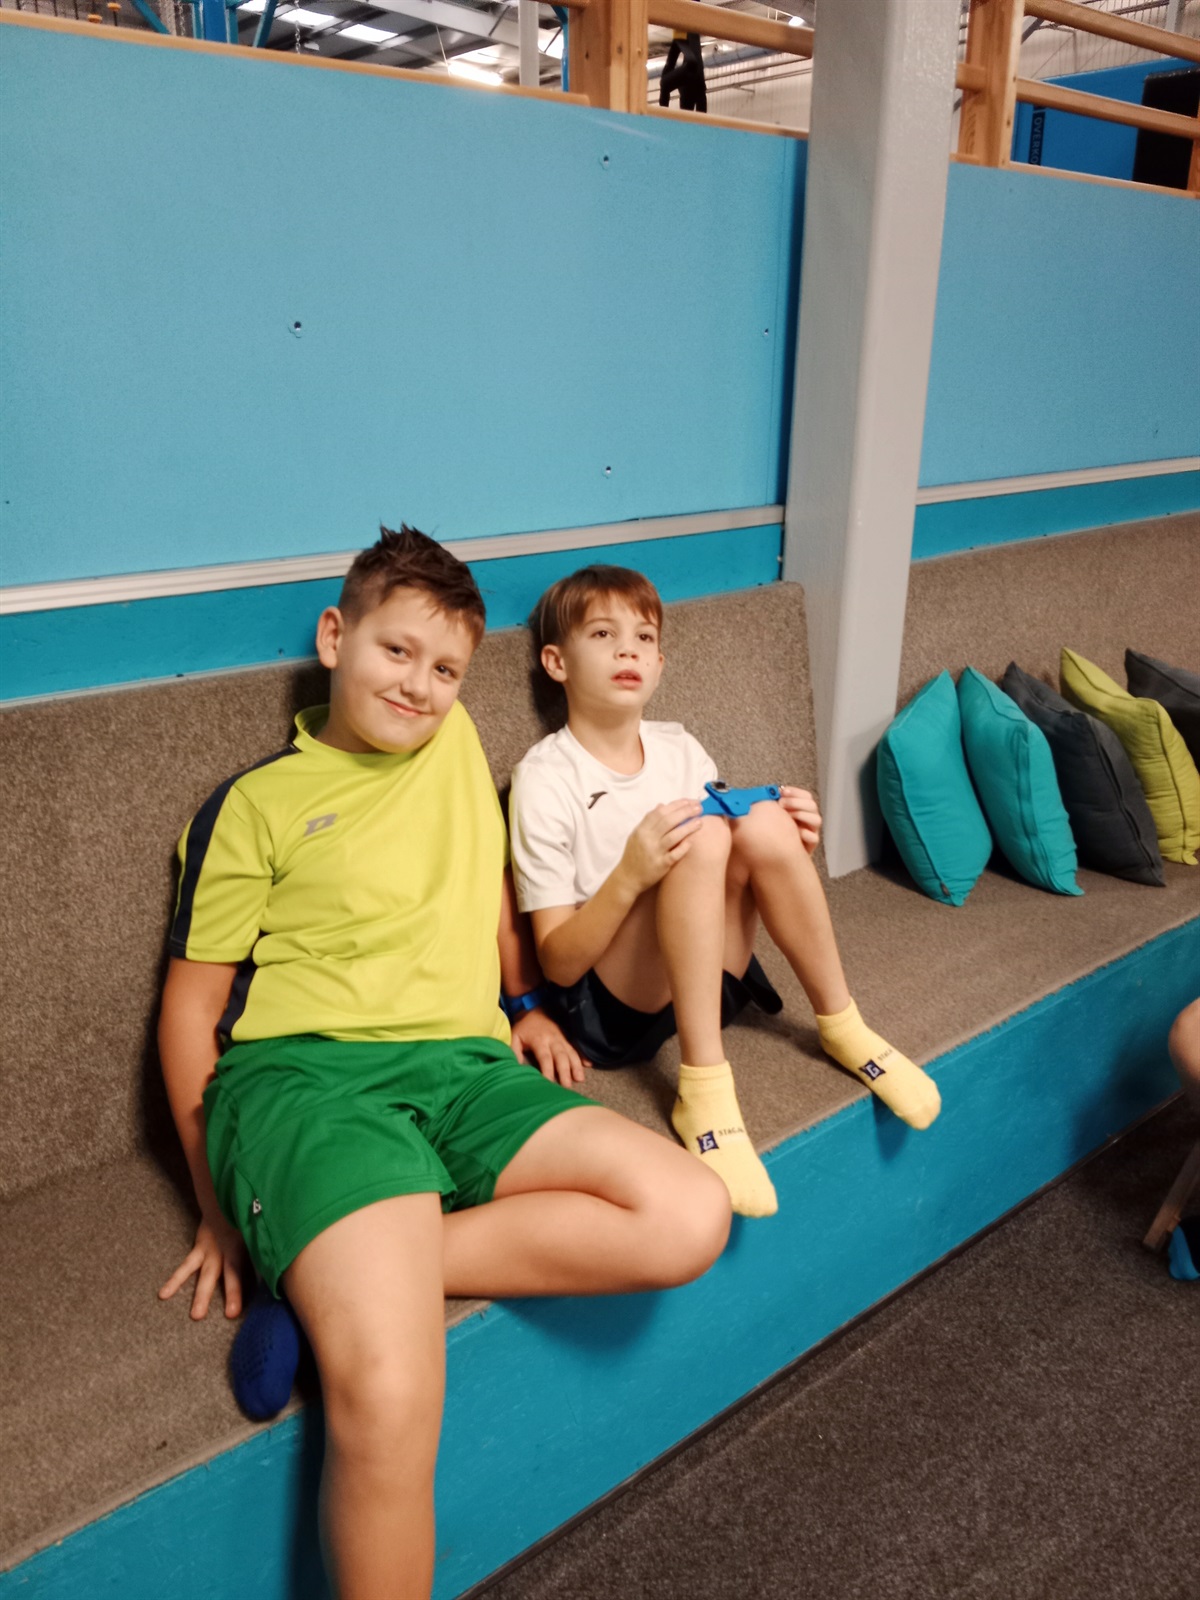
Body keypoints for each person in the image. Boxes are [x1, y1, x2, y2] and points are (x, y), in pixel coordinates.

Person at [157, 528, 732, 1600]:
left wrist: (524, 1004)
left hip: (466, 1070)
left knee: (689, 1212)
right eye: (396, 651)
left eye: (445, 669)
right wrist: (216, 1203)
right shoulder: (253, 804)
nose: (418, 686)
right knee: (391, 1388)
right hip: (312, 1084)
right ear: (335, 636)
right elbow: (190, 1014)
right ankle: (338, 1277)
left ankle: (327, 1283)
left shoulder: (456, 739)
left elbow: (487, 885)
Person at [509, 564, 942, 1221]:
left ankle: (842, 1026)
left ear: (659, 664)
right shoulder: (545, 778)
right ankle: (704, 1088)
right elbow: (559, 963)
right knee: (704, 834)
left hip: (709, 984)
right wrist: (630, 874)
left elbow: (734, 862)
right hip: (609, 1010)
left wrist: (792, 842)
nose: (628, 650)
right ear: (556, 662)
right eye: (602, 634)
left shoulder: (679, 747)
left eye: (644, 637)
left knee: (761, 818)